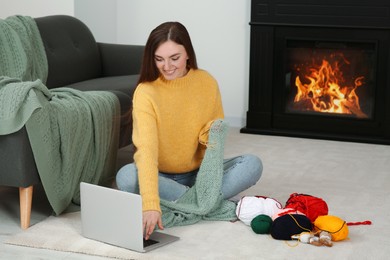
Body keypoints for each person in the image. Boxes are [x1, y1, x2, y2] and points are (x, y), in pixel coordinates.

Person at [116, 21, 263, 240]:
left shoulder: (207, 82)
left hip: (199, 175)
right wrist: (150, 204)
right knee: (126, 176)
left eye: (174, 58)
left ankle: (189, 203)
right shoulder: (146, 92)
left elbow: (213, 145)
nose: (167, 66)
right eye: (159, 59)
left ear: (187, 54)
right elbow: (145, 151)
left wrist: (207, 181)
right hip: (161, 177)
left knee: (252, 164)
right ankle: (209, 205)